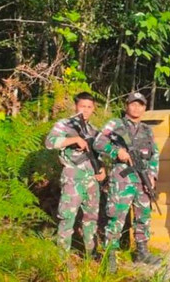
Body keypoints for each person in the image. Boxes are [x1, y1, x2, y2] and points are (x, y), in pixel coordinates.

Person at [93, 92, 161, 273]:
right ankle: (110, 256)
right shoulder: (116, 124)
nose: (136, 107)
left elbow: (155, 154)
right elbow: (98, 142)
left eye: (140, 104)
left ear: (145, 108)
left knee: (143, 216)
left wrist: (153, 175)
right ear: (127, 105)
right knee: (116, 217)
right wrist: (117, 152)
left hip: (143, 180)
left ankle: (142, 251)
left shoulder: (147, 130)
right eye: (133, 104)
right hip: (122, 179)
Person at [45, 92, 106, 257]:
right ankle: (62, 257)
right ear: (75, 106)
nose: (85, 110)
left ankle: (90, 252)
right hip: (73, 175)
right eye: (82, 106)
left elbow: (98, 154)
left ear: (93, 109)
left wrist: (102, 169)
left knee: (91, 217)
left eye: (89, 107)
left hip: (92, 179)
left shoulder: (93, 130)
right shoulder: (65, 125)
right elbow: (49, 142)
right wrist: (74, 140)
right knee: (67, 217)